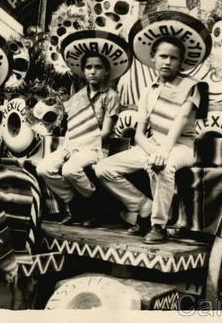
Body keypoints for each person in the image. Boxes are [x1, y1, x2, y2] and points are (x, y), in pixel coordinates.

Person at [94, 36, 204, 244]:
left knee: (162, 166)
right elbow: (139, 134)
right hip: (151, 145)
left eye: (174, 58)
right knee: (103, 168)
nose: (167, 62)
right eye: (163, 56)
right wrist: (152, 150)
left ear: (180, 62)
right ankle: (144, 206)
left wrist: (162, 152)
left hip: (181, 146)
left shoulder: (192, 87)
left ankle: (158, 225)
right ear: (153, 58)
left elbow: (180, 121)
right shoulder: (147, 90)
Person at [36, 52, 121, 227]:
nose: (92, 71)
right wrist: (68, 146)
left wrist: (79, 144)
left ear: (106, 72)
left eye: (98, 67)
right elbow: (72, 127)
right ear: (83, 71)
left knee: (70, 169)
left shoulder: (111, 96)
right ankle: (76, 205)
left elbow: (105, 131)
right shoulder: (79, 96)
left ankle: (94, 204)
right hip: (73, 145)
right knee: (44, 168)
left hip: (96, 148)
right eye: (88, 67)